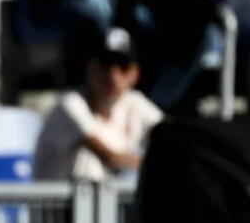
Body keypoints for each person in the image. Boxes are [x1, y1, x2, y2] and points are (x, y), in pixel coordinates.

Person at [33, 27, 163, 182]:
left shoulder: (135, 103)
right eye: (105, 64)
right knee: (92, 164)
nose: (113, 77)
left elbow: (171, 138)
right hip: (56, 204)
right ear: (90, 68)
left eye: (123, 67)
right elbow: (111, 159)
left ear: (134, 74)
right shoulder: (70, 103)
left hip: (103, 202)